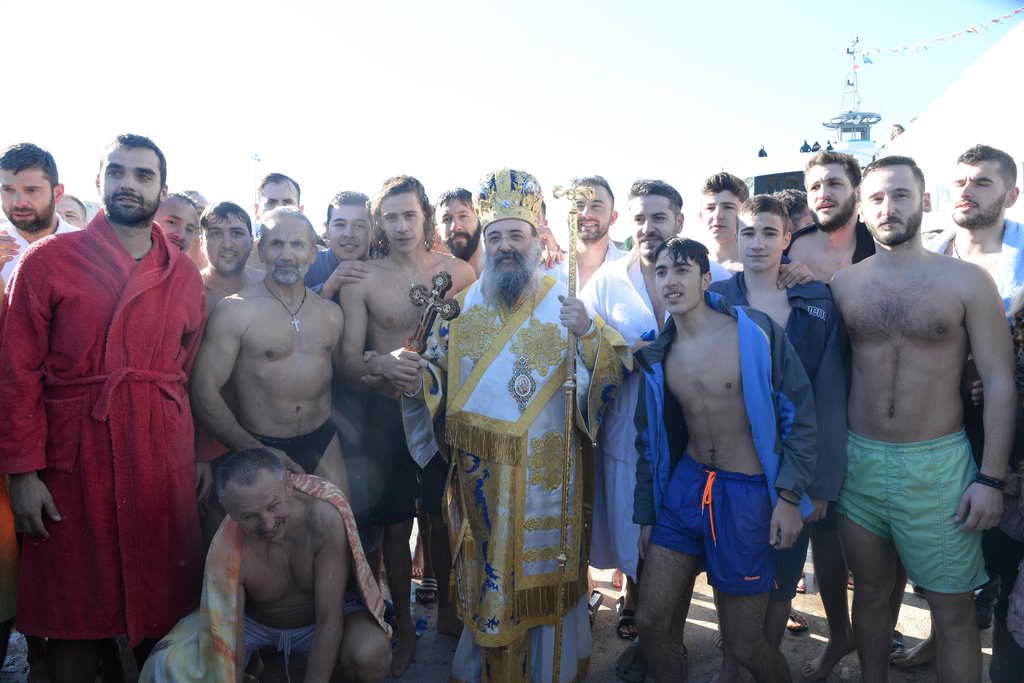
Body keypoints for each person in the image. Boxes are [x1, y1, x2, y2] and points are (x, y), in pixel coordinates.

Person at [397, 168, 628, 682]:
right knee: (490, 573)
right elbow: (435, 375)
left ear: (536, 237)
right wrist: (415, 377)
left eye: (515, 236)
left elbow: (611, 371)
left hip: (549, 471)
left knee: (546, 579)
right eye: (496, 236)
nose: (504, 246)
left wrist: (589, 335)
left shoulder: (565, 301)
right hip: (482, 478)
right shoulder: (460, 310)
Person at [0, 133, 207, 681]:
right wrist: (22, 472)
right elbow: (16, 373)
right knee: (73, 621)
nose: (128, 184)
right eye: (117, 172)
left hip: (157, 455)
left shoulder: (183, 273)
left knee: (161, 617)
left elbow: (189, 371)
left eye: (143, 175)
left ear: (162, 188)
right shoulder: (48, 261)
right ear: (99, 181)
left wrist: (199, 455)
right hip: (74, 459)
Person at [831, 155, 1015, 682]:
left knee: (952, 610)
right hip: (861, 463)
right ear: (861, 209)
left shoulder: (967, 282)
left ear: (925, 201)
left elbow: (999, 382)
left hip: (937, 467)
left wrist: (990, 479)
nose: (888, 207)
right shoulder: (843, 286)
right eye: (876, 198)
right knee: (870, 594)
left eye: (901, 195)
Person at [633, 237, 817, 683]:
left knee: (745, 645)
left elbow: (800, 417)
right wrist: (647, 515)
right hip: (686, 487)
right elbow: (648, 442)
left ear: (705, 279)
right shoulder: (658, 352)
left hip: (747, 493)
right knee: (650, 623)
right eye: (661, 272)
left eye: (682, 270)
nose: (670, 281)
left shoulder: (752, 332)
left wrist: (789, 497)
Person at [338, 175, 475, 676]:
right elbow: (346, 361)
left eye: (409, 215)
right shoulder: (363, 278)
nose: (400, 226)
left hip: (442, 415)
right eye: (390, 217)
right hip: (384, 414)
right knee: (396, 526)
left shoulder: (460, 273)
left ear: (425, 216)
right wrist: (381, 363)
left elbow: (478, 347)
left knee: (446, 515)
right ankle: (403, 629)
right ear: (380, 221)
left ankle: (450, 612)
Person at [709, 195, 848, 682]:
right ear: (735, 237)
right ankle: (732, 664)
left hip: (796, 465)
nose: (758, 243)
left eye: (770, 233)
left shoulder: (816, 301)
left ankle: (763, 663)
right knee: (731, 569)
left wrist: (820, 485)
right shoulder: (716, 298)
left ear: (787, 238)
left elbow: (830, 394)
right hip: (732, 464)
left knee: (782, 577)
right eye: (748, 232)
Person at [899, 144, 1024, 675]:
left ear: (1011, 195)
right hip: (939, 427)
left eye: (982, 182)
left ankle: (1003, 654)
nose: (967, 191)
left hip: (1011, 435)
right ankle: (943, 636)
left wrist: (1006, 377)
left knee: (1002, 551)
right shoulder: (929, 256)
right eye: (961, 181)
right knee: (942, 542)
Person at [140, 448, 392, 683]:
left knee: (371, 654)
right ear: (229, 511)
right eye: (249, 516)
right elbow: (230, 630)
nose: (268, 524)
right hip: (254, 624)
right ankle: (261, 667)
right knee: (166, 661)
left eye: (273, 506)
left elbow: (329, 620)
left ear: (288, 486)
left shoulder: (323, 519)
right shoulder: (227, 547)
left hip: (318, 621)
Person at [581, 180, 691, 645]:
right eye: (640, 218)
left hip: (691, 429)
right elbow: (581, 353)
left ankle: (667, 623)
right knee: (633, 521)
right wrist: (625, 354)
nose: (648, 228)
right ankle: (638, 600)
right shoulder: (607, 282)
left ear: (679, 220)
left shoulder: (705, 275)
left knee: (680, 526)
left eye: (659, 217)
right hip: (627, 428)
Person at [190, 206, 349, 491]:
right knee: (271, 521)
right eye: (277, 243)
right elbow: (203, 390)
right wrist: (250, 447)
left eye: (297, 244)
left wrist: (382, 364)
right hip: (260, 444)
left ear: (313, 253)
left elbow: (347, 375)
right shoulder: (235, 311)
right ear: (261, 251)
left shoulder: (331, 314)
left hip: (324, 440)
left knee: (338, 518)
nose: (287, 255)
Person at [786, 151, 875, 282]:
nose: (823, 194)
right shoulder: (785, 251)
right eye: (815, 187)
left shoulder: (880, 248)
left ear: (857, 193)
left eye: (834, 184)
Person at [0, 143, 79, 289]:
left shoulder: (86, 248)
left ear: (57, 193)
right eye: (8, 190)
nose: (19, 203)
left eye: (31, 190)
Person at [304, 191, 372, 297]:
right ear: (327, 230)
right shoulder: (307, 266)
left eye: (359, 225)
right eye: (340, 225)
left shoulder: (386, 270)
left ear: (373, 230)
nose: (349, 234)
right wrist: (328, 287)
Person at [198, 201, 261, 309]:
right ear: (201, 243)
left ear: (251, 242)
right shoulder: (187, 290)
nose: (227, 245)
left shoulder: (268, 285)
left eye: (236, 233)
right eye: (216, 234)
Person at [247, 172, 302, 270]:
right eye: (271, 203)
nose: (279, 210)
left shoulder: (318, 260)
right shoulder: (242, 261)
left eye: (287, 203)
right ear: (257, 211)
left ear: (300, 211)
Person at [700, 171, 749, 272]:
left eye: (728, 207)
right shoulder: (688, 267)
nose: (718, 215)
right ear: (701, 216)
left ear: (745, 215)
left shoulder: (764, 268)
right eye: (710, 208)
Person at [438, 187, 485, 274]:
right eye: (447, 219)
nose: (455, 226)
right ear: (438, 230)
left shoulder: (503, 269)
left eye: (463, 216)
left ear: (480, 219)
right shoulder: (436, 279)